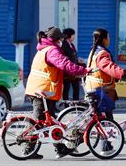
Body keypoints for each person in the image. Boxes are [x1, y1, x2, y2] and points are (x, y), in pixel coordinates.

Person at [24, 26, 91, 159]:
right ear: (57, 40)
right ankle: (29, 149)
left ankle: (59, 148)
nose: (62, 42)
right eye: (61, 39)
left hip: (40, 89)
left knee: (49, 122)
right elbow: (64, 64)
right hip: (42, 90)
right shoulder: (52, 50)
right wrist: (83, 71)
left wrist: (78, 69)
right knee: (40, 122)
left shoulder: (44, 48)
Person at [85, 28, 126, 121]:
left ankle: (108, 133)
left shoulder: (94, 51)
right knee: (107, 119)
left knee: (104, 118)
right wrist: (125, 73)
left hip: (95, 87)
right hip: (101, 90)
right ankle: (108, 134)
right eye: (108, 37)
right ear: (104, 39)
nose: (109, 39)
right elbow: (109, 67)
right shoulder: (102, 53)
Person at [61, 28, 84, 101]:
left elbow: (73, 55)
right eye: (73, 35)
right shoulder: (63, 45)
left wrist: (77, 60)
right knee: (66, 88)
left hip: (74, 70)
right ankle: (66, 105)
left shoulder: (72, 45)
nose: (74, 36)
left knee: (76, 87)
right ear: (69, 35)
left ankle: (76, 103)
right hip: (67, 71)